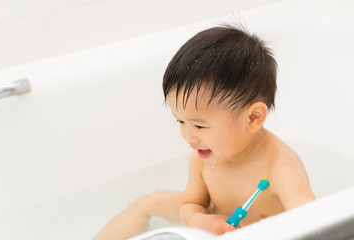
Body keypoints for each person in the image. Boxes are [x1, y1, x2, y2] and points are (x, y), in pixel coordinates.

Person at [94, 24, 316, 240]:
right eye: (180, 121)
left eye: (199, 125)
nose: (188, 136)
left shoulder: (280, 168)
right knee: (148, 203)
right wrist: (199, 221)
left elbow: (319, 225)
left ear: (253, 118)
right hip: (215, 218)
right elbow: (191, 204)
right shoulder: (203, 156)